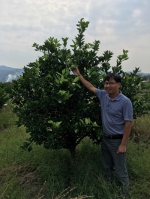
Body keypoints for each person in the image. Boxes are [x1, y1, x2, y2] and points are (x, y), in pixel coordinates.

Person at [72, 67, 133, 198]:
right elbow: (91, 87)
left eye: (111, 83)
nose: (107, 86)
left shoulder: (125, 101)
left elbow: (128, 123)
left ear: (118, 84)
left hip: (117, 140)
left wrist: (123, 144)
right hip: (105, 139)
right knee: (107, 167)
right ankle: (109, 190)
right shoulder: (103, 95)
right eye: (106, 83)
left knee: (121, 170)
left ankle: (125, 195)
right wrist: (79, 75)